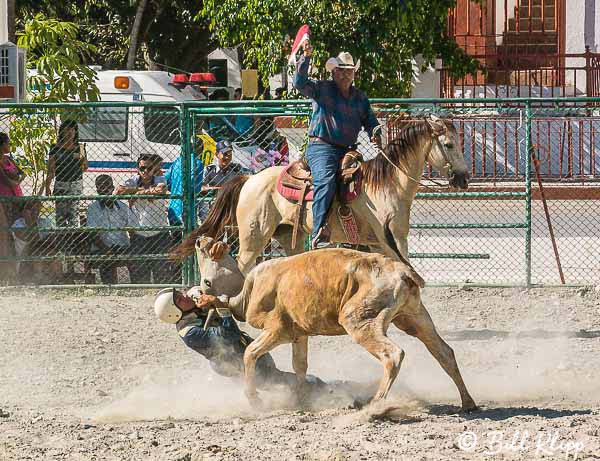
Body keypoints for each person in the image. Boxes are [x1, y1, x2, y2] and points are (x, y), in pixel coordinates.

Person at [293, 42, 381, 249]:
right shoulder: (321, 89)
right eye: (340, 70)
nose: (345, 74)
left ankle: (356, 232)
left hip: (348, 149)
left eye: (349, 71)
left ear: (354, 74)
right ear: (333, 72)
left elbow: (370, 120)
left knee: (364, 180)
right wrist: (306, 57)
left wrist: (375, 132)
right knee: (326, 180)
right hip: (321, 147)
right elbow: (299, 82)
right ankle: (320, 232)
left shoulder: (360, 97)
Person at [154, 287, 326, 391]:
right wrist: (221, 307)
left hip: (246, 352)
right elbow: (229, 335)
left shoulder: (189, 311)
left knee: (282, 381)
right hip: (237, 362)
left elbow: (194, 289)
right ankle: (327, 389)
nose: (184, 295)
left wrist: (201, 295)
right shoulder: (190, 333)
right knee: (285, 383)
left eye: (180, 293)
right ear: (174, 312)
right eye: (179, 299)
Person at [116, 154, 170, 283]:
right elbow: (119, 190)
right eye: (142, 168)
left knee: (161, 272)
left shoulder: (159, 179)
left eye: (149, 168)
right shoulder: (132, 180)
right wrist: (145, 191)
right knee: (139, 273)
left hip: (158, 233)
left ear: (154, 169)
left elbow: (161, 190)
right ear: (138, 169)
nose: (145, 171)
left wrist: (135, 193)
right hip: (139, 234)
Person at [86, 175, 137, 284]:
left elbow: (132, 229)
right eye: (100, 187)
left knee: (136, 256)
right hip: (102, 248)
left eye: (107, 186)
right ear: (97, 189)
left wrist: (134, 245)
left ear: (112, 187)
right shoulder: (93, 208)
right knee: (106, 260)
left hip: (122, 246)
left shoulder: (122, 207)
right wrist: (106, 250)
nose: (104, 189)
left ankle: (137, 286)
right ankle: (111, 289)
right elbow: (93, 234)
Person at [45, 120, 88, 228]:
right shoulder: (55, 148)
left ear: (75, 132)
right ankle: (61, 241)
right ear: (62, 132)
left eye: (72, 130)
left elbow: (85, 167)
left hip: (76, 184)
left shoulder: (80, 147)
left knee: (74, 216)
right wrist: (47, 186)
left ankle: (73, 241)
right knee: (60, 216)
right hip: (61, 184)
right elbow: (51, 170)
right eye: (67, 129)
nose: (69, 132)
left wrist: (82, 159)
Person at [11, 199, 60, 284]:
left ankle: (57, 282)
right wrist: (30, 223)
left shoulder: (43, 222)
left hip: (44, 252)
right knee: (38, 257)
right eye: (31, 209)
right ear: (24, 211)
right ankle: (35, 282)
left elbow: (52, 241)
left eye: (37, 209)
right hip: (25, 257)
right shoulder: (18, 224)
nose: (35, 212)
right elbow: (33, 241)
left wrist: (46, 244)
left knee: (56, 257)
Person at [0, 132, 24, 281]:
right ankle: (6, 271)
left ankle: (14, 270)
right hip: (4, 200)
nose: (9, 145)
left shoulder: (9, 159)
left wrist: (15, 178)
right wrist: (14, 178)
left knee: (16, 233)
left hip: (16, 199)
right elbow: (8, 182)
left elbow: (22, 174)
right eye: (7, 143)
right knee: (5, 235)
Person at [164, 148, 204, 227]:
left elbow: (165, 180)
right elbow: (195, 188)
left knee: (176, 236)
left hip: (174, 207)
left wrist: (175, 188)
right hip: (188, 209)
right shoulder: (198, 163)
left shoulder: (177, 161)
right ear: (201, 149)